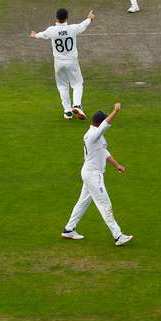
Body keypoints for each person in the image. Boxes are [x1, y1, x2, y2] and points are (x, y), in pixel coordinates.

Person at [61, 103, 134, 246]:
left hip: (90, 174)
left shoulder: (96, 136)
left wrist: (117, 165)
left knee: (82, 203)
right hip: (93, 176)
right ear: (99, 123)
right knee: (105, 205)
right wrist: (115, 111)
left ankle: (69, 229)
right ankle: (118, 236)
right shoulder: (94, 135)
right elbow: (104, 125)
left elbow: (104, 153)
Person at [30, 8, 96, 120]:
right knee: (77, 84)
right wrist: (90, 18)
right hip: (72, 62)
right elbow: (83, 25)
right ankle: (77, 105)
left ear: (56, 17)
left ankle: (67, 111)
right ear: (66, 17)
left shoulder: (51, 30)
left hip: (59, 63)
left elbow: (42, 35)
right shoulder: (72, 28)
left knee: (62, 86)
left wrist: (34, 35)